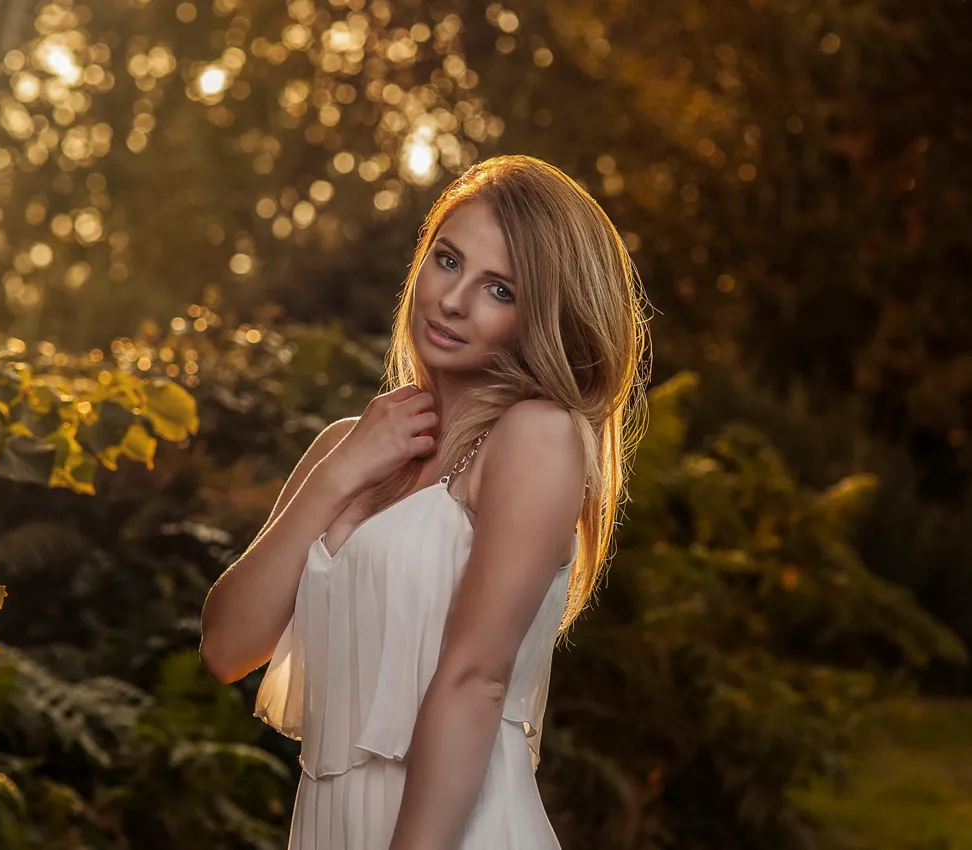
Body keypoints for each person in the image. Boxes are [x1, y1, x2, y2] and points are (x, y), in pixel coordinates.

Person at [199, 154, 651, 849]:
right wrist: (340, 470)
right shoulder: (347, 449)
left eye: (499, 289)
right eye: (447, 261)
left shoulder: (535, 438)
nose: (453, 300)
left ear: (543, 315)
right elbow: (227, 646)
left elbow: (476, 681)